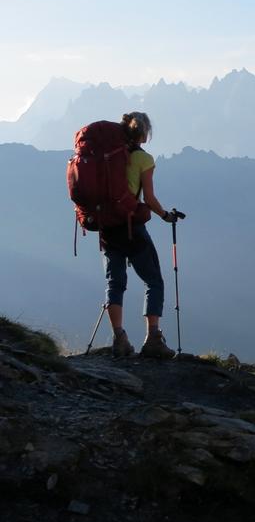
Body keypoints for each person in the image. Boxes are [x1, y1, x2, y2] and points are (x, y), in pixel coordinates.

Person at [101, 112, 178, 359]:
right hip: (132, 228)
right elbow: (149, 199)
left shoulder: (107, 156)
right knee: (153, 281)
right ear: (145, 133)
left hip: (107, 227)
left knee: (115, 283)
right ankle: (153, 338)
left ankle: (119, 338)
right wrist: (166, 216)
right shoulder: (144, 159)